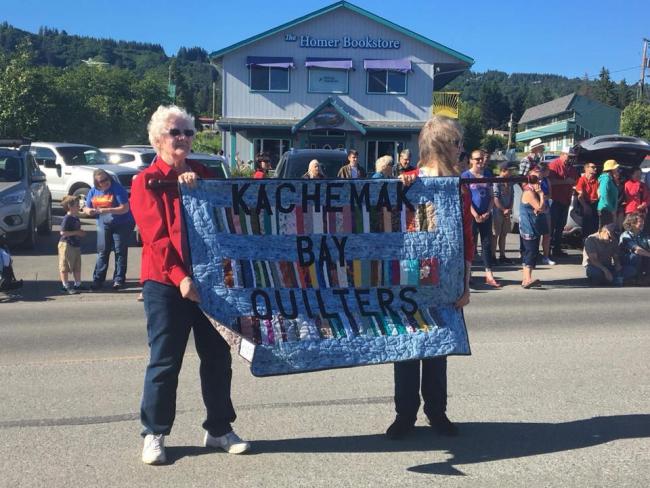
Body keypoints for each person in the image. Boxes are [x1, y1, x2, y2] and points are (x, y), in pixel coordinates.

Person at [130, 105, 249, 465]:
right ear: (156, 140)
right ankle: (154, 432)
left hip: (210, 281)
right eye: (174, 132)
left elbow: (231, 217)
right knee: (165, 361)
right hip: (166, 283)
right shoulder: (145, 181)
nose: (182, 138)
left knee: (217, 357)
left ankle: (218, 428)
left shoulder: (204, 174)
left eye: (187, 132)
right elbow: (156, 237)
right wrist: (181, 278)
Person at [386, 115, 473, 440]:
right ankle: (404, 414)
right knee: (409, 347)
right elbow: (385, 224)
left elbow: (466, 238)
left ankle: (436, 411)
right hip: (409, 274)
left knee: (438, 350)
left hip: (444, 277)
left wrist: (465, 283)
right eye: (457, 143)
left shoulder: (457, 188)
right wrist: (397, 190)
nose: (461, 150)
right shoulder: (408, 180)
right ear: (443, 145)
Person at [84, 169, 135, 291]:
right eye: (101, 181)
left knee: (120, 251)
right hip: (103, 224)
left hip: (122, 223)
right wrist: (88, 211)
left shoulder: (118, 189)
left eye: (106, 179)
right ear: (97, 182)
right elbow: (86, 207)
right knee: (102, 251)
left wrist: (107, 210)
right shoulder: (93, 191)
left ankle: (119, 279)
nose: (105, 182)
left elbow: (125, 208)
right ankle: (98, 280)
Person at [462, 149, 501, 288]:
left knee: (487, 243)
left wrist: (488, 211)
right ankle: (469, 273)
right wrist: (474, 214)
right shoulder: (466, 175)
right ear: (471, 160)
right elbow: (466, 199)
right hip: (471, 214)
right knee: (470, 243)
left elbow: (491, 196)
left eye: (481, 159)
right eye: (476, 159)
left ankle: (489, 274)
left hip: (485, 213)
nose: (479, 161)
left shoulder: (488, 174)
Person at [548, 147, 578, 258]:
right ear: (562, 154)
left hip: (565, 200)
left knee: (561, 226)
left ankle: (557, 249)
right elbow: (550, 181)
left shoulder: (571, 168)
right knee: (551, 226)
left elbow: (575, 180)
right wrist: (565, 181)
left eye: (572, 157)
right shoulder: (554, 165)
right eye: (569, 156)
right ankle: (548, 250)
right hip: (555, 200)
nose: (571, 159)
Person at [519, 165, 546, 288]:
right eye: (536, 179)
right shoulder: (529, 192)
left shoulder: (531, 191)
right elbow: (541, 207)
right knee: (531, 251)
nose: (539, 182)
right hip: (529, 226)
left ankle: (525, 279)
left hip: (531, 225)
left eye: (540, 179)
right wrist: (541, 194)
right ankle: (528, 278)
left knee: (529, 251)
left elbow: (539, 209)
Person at [58, 195, 86, 294]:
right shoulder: (67, 218)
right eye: (77, 205)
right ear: (70, 206)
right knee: (65, 266)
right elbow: (63, 232)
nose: (79, 207)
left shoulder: (75, 217)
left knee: (77, 265)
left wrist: (80, 232)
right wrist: (76, 232)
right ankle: (65, 286)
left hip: (75, 244)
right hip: (66, 244)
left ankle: (77, 284)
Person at [491, 161, 513, 264]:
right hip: (497, 211)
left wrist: (509, 209)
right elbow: (495, 198)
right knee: (496, 234)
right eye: (510, 170)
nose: (512, 172)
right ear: (503, 170)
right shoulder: (497, 181)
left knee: (504, 234)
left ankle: (502, 255)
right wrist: (503, 209)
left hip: (507, 211)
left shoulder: (510, 182)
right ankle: (492, 256)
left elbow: (512, 196)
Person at [619, 212, 650, 284]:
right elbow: (637, 250)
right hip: (627, 262)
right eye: (640, 222)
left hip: (642, 258)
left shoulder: (644, 234)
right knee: (636, 256)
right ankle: (636, 277)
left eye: (643, 221)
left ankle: (646, 277)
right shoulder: (625, 236)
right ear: (632, 223)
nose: (642, 223)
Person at [575, 162, 600, 242]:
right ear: (586, 169)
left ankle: (593, 245)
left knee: (595, 227)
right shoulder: (581, 180)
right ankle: (586, 245)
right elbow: (580, 195)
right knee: (587, 227)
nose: (595, 169)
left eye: (595, 167)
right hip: (585, 203)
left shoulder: (596, 180)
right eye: (593, 167)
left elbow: (599, 193)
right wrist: (585, 206)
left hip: (595, 204)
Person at [538, 162, 555, 266]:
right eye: (547, 170)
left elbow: (549, 194)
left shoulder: (546, 180)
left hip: (546, 208)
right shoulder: (534, 180)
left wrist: (543, 197)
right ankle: (532, 255)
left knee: (547, 234)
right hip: (535, 209)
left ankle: (546, 256)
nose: (549, 172)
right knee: (534, 234)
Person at [597, 159, 620, 227]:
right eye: (616, 167)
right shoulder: (606, 178)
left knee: (608, 231)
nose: (617, 168)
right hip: (605, 210)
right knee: (605, 232)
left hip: (609, 210)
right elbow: (604, 194)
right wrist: (611, 210)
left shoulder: (610, 178)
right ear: (611, 169)